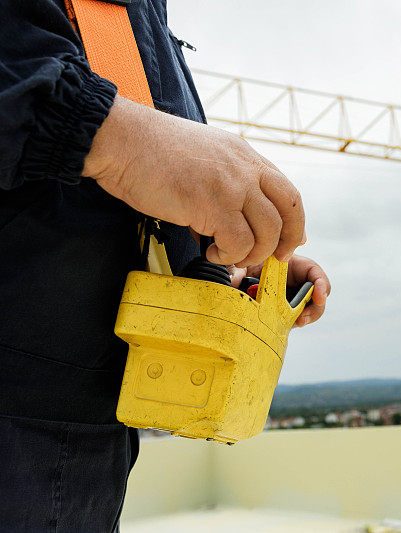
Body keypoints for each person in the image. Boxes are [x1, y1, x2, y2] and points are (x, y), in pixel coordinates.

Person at [0, 1, 331, 530]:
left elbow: (124, 210)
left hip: (87, 422)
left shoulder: (134, 16)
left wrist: (226, 271)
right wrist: (119, 139)